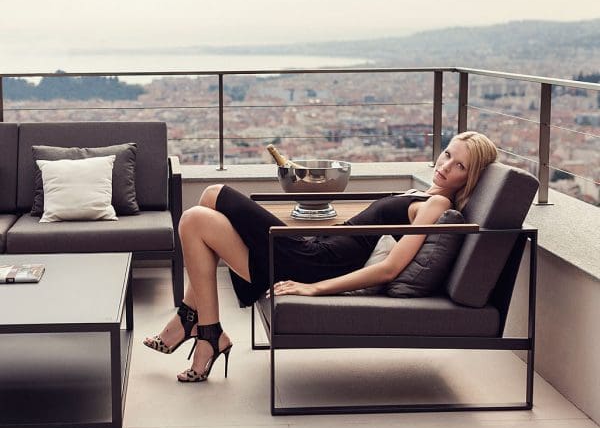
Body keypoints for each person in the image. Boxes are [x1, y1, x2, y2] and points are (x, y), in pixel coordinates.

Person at [144, 131, 498, 383]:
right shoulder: (423, 193)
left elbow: (390, 269)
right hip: (313, 246)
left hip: (315, 260)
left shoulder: (437, 205)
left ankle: (197, 326)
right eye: (448, 153)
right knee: (195, 220)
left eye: (461, 166)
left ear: (471, 178)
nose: (446, 165)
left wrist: (316, 289)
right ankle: (206, 332)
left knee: (212, 193)